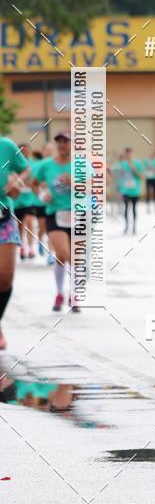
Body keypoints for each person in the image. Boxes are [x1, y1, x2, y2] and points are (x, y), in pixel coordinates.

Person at [35, 131, 78, 313]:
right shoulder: (46, 165)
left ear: (72, 144)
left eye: (66, 141)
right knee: (62, 252)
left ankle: (73, 295)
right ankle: (60, 291)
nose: (62, 145)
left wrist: (74, 182)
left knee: (75, 258)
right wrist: (42, 195)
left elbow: (99, 183)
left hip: (78, 213)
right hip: (55, 213)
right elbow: (34, 183)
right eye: (59, 142)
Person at [0, 135, 29, 350]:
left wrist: (17, 181)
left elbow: (25, 169)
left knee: (5, 276)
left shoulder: (7, 145)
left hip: (3, 215)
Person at [12, 145, 39, 261]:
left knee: (29, 222)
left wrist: (30, 183)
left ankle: (32, 248)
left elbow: (35, 180)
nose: (24, 153)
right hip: (17, 201)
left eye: (26, 150)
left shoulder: (32, 164)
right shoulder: (14, 164)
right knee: (20, 226)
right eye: (22, 151)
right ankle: (23, 248)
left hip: (30, 200)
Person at [120, 148, 143, 234]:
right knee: (126, 208)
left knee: (134, 209)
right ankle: (126, 226)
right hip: (126, 190)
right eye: (127, 154)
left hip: (135, 190)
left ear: (132, 153)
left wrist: (133, 169)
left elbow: (141, 176)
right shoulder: (123, 164)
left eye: (130, 153)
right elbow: (120, 176)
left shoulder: (137, 163)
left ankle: (134, 227)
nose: (129, 155)